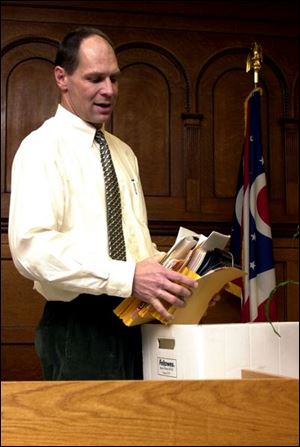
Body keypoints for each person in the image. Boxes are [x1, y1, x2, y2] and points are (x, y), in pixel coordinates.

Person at [8, 27, 198, 380]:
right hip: (79, 330)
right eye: (95, 78)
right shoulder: (41, 148)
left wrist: (176, 278)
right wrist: (128, 277)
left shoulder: (123, 153)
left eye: (114, 78)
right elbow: (31, 249)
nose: (108, 90)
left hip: (137, 321)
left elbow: (131, 246)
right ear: (61, 78)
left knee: (141, 434)